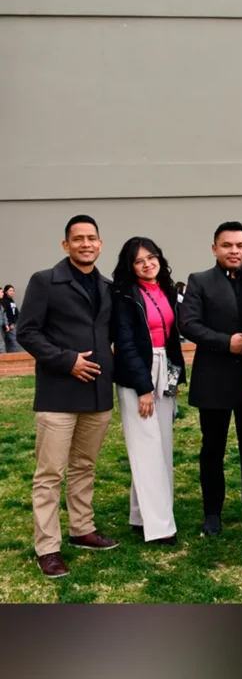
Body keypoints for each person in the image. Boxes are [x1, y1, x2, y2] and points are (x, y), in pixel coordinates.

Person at [16, 215, 118, 579]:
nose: (86, 244)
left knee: (84, 467)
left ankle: (81, 529)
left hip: (97, 395)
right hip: (59, 393)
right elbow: (27, 332)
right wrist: (67, 361)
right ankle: (48, 547)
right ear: (66, 245)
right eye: (78, 239)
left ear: (100, 244)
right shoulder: (45, 281)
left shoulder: (108, 286)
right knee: (49, 474)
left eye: (92, 238)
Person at [179, 221, 242, 536]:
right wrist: (224, 341)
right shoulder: (200, 281)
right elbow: (187, 323)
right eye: (227, 245)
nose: (234, 251)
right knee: (213, 448)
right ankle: (212, 512)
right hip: (214, 377)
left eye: (239, 245)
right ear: (215, 248)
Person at [112, 237, 186, 546]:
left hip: (163, 366)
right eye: (139, 260)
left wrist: (173, 379)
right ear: (130, 266)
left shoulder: (166, 289)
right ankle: (159, 528)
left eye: (152, 257)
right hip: (137, 373)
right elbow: (126, 344)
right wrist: (143, 388)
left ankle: (140, 514)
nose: (147, 264)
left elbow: (171, 338)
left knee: (162, 447)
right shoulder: (124, 295)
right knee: (146, 447)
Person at [2, 284, 21, 353]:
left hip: (14, 323)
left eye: (13, 290)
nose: (12, 292)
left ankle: (8, 360)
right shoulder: (4, 301)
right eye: (10, 290)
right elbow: (5, 313)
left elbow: (16, 312)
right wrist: (9, 323)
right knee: (15, 343)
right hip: (10, 325)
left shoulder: (11, 300)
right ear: (6, 291)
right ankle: (12, 359)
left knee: (9, 343)